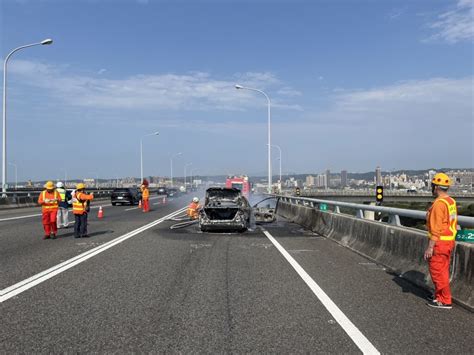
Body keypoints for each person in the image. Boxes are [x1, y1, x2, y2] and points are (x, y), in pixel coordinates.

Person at [424, 173, 457, 309]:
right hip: (448, 241)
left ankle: (444, 299)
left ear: (436, 187)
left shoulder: (439, 204)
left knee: (438, 271)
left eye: (432, 186)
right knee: (443, 270)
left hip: (440, 242)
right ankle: (439, 295)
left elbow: (436, 228)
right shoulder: (450, 201)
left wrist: (430, 247)